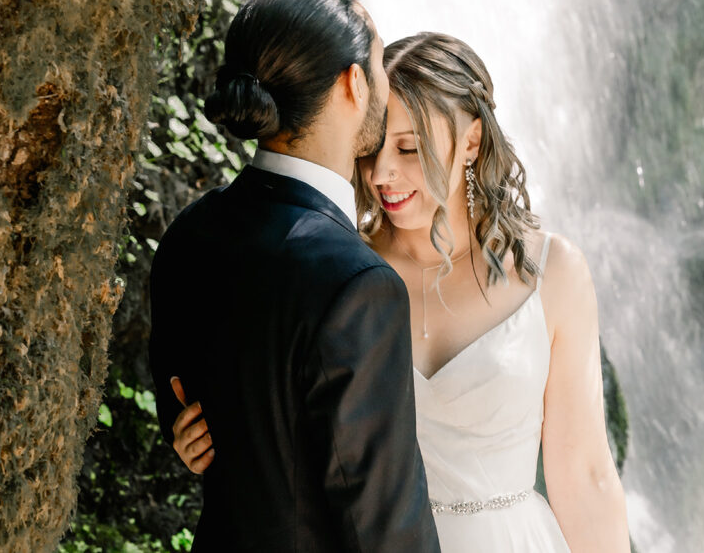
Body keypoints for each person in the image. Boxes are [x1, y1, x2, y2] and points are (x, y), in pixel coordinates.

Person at [173, 32, 630, 551]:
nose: (383, 173)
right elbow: (278, 430)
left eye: (410, 148)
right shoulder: (338, 268)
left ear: (473, 143)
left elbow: (586, 474)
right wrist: (212, 435)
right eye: (374, 149)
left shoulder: (553, 272)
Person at [149, 0, 441, 552]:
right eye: (381, 62)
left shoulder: (191, 233)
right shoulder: (357, 286)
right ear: (354, 84)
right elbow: (385, 527)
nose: (387, 80)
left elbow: (185, 406)